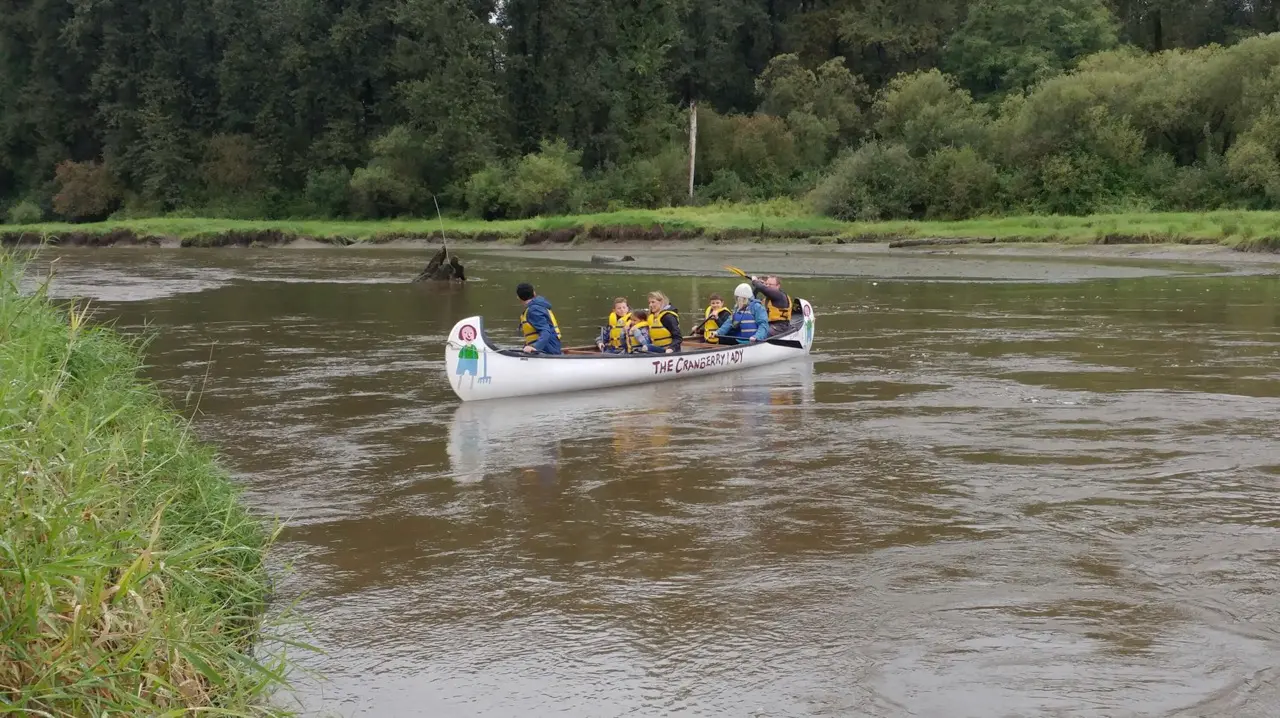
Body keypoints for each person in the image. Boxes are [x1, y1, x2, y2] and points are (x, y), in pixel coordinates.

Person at [516, 282, 562, 355]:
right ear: (534, 293)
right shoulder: (537, 307)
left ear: (518, 297)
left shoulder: (534, 310)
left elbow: (546, 331)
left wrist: (535, 347)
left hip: (548, 352)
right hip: (549, 349)